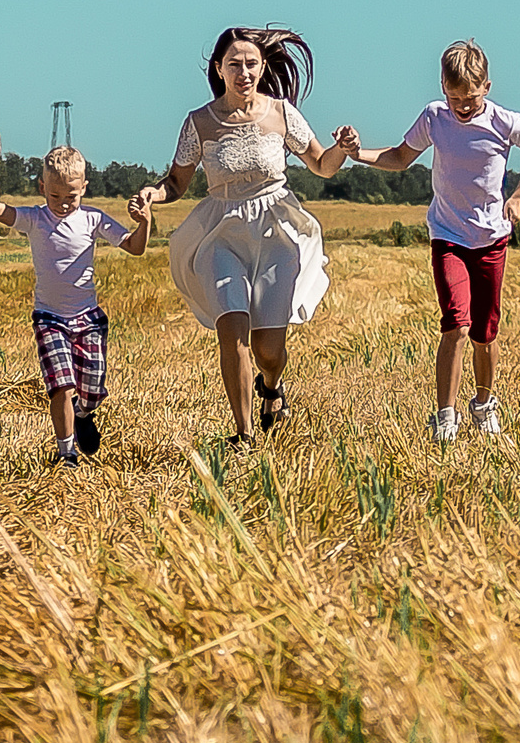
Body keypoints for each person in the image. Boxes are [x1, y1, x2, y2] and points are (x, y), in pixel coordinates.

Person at [132, 27, 357, 442]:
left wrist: (341, 147)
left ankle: (272, 385)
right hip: (222, 232)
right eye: (234, 64)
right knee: (231, 329)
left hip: (275, 231)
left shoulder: (281, 113)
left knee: (269, 350)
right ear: (219, 69)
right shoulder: (199, 122)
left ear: (263, 66)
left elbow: (322, 165)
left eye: (251, 63)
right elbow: (177, 183)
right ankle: (244, 434)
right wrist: (153, 193)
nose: (243, 72)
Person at [347, 38, 520, 443]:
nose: (463, 105)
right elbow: (401, 156)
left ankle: (484, 404)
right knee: (456, 324)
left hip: (491, 238)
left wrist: (518, 196)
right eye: (455, 95)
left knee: (484, 333)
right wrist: (359, 154)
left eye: (471, 97)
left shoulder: (503, 122)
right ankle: (445, 416)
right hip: (448, 235)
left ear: (487, 87)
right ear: (443, 86)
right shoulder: (434, 118)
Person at [0, 130, 151, 466]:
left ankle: (84, 415)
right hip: (49, 318)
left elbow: (135, 247)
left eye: (71, 195)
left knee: (90, 389)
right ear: (43, 188)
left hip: (88, 318)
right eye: (55, 195)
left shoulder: (93, 219)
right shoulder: (34, 218)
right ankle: (66, 452)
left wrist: (145, 222)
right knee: (61, 384)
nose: (62, 203)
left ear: (84, 188)